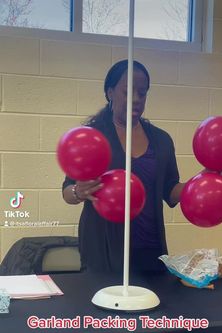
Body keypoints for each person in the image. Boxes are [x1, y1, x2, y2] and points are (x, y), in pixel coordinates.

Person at [62, 59, 185, 275]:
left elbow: (170, 190)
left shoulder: (161, 140)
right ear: (110, 92)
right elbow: (67, 191)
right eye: (128, 92)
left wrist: (201, 184)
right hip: (104, 250)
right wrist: (77, 191)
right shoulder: (93, 137)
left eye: (142, 93)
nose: (136, 99)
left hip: (150, 248)